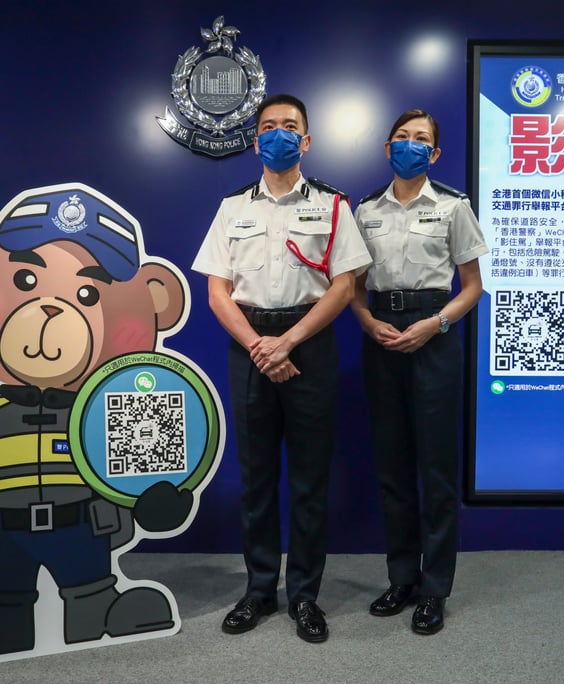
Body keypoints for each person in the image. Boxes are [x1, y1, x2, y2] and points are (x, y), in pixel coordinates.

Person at [192, 93, 371, 643]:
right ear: (255, 142)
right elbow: (217, 291)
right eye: (268, 126)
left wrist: (287, 342)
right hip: (249, 345)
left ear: (306, 140)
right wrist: (259, 347)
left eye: (289, 126)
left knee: (310, 479)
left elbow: (344, 286)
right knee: (257, 478)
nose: (278, 134)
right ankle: (258, 590)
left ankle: (305, 596)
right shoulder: (233, 207)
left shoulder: (333, 205)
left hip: (308, 343)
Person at [350, 109, 488, 635]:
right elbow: (353, 287)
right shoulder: (365, 210)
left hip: (434, 333)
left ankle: (435, 589)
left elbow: (472, 287)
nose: (411, 145)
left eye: (422, 139)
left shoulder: (453, 205)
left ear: (435, 153)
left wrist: (435, 324)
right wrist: (367, 322)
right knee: (392, 466)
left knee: (435, 469)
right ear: (388, 148)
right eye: (402, 137)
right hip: (381, 333)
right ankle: (402, 578)